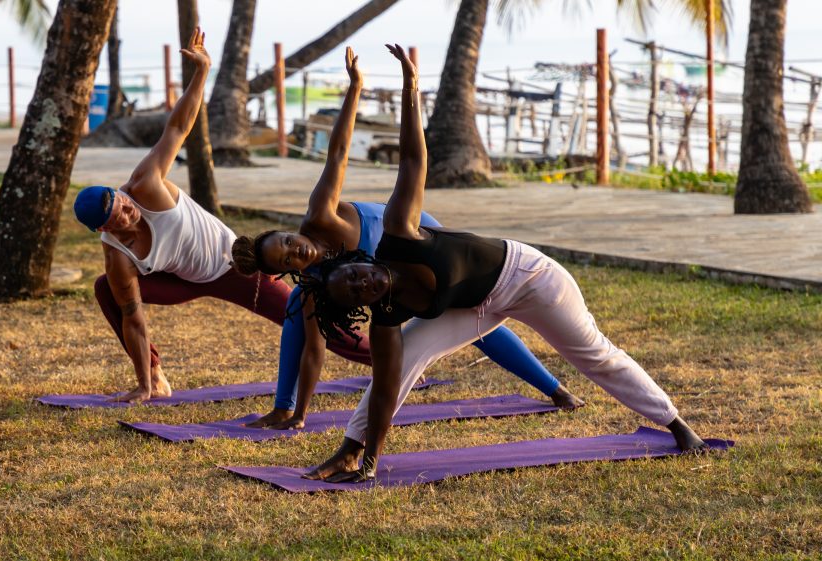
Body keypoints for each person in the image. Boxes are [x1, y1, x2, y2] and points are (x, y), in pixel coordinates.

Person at [293, 44, 707, 483]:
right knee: (403, 361)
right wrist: (372, 461)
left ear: (359, 260)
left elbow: (413, 161)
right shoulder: (386, 318)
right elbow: (386, 390)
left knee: (595, 354)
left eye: (356, 275)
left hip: (529, 278)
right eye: (356, 293)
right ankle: (350, 452)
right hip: (474, 305)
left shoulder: (398, 232)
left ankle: (678, 424)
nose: (364, 283)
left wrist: (411, 87)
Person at [231, 47, 583, 430]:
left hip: (414, 237)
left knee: (475, 312)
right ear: (291, 271)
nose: (294, 249)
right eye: (287, 260)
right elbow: (316, 347)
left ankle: (555, 389)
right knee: (298, 311)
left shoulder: (319, 216)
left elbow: (338, 154)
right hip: (381, 281)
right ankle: (287, 409)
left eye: (286, 240)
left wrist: (355, 89)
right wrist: (301, 415)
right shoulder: (316, 283)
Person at [72, 29, 367, 403]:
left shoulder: (145, 184)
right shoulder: (117, 256)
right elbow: (134, 318)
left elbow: (178, 127)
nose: (129, 210)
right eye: (120, 216)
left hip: (233, 265)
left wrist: (202, 72)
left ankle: (385, 358)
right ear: (105, 228)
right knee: (106, 289)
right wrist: (144, 384)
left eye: (123, 202)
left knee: (308, 320)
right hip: (182, 279)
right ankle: (156, 377)